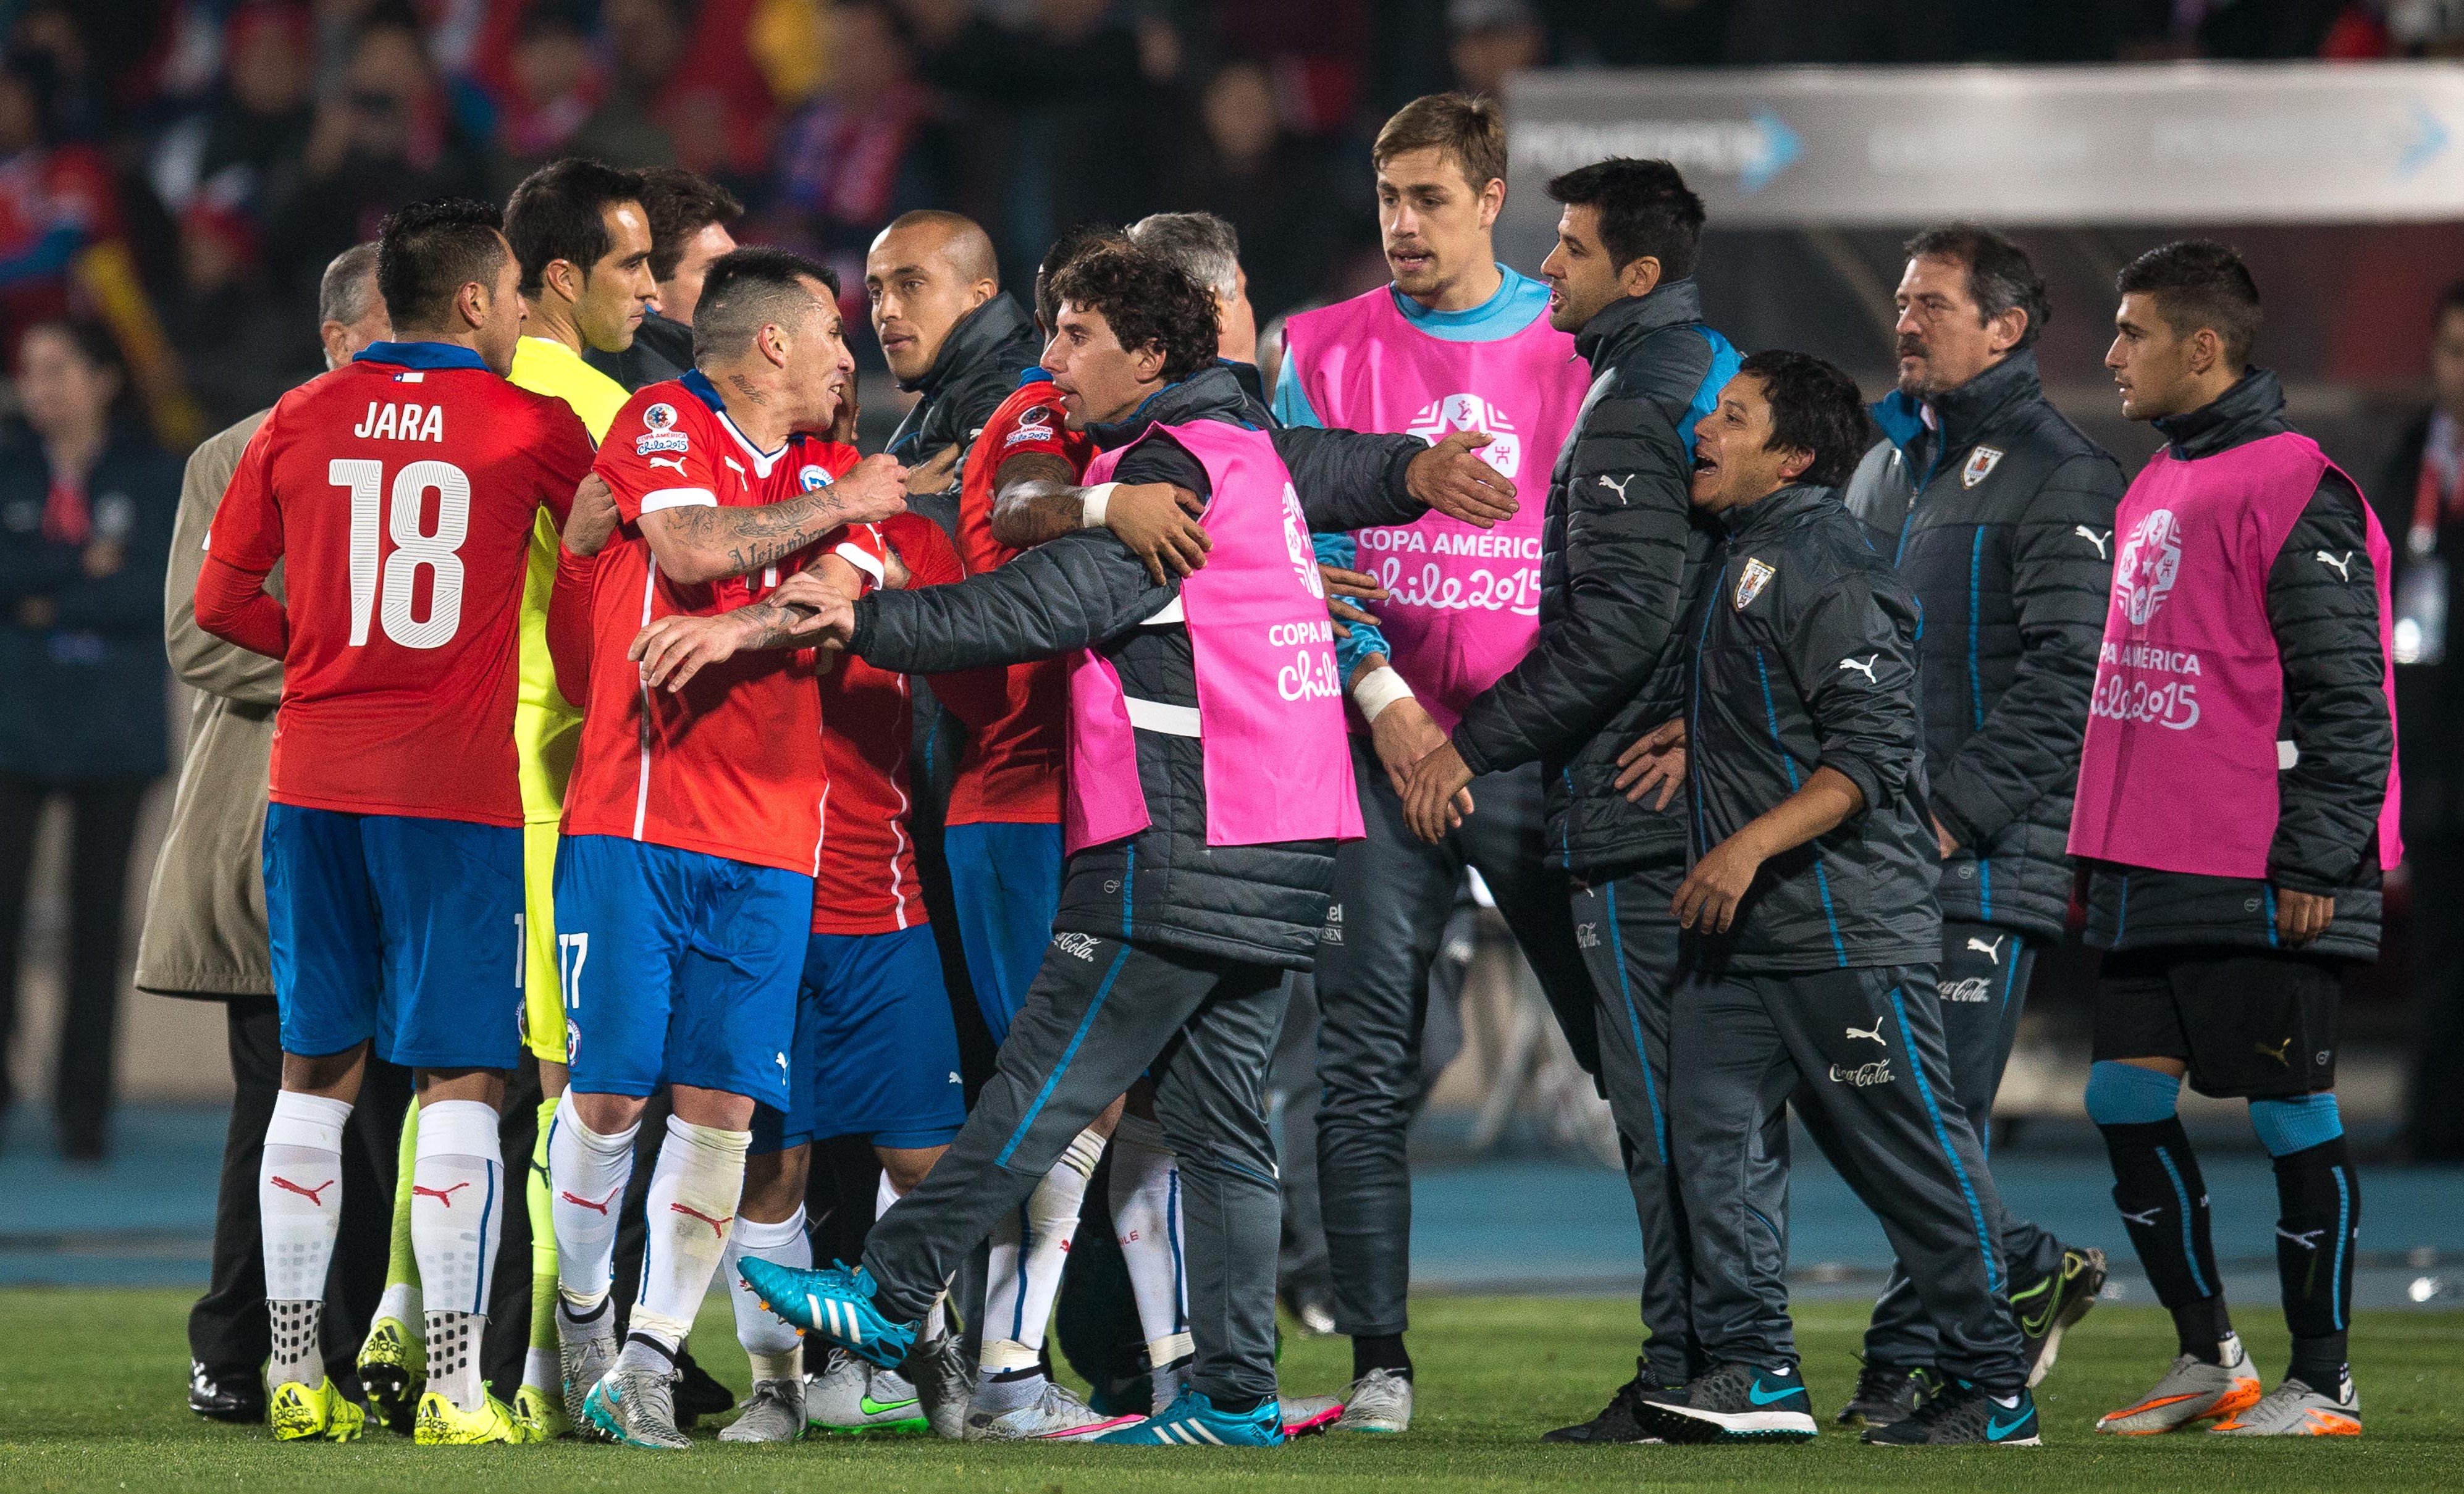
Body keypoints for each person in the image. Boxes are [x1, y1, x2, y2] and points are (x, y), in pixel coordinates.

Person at [738, 243, 1521, 1449]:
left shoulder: (1169, 468)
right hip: (1283, 833)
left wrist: (866, 619)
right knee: (1220, 1128)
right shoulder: (1238, 440)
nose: (1049, 355)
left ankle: (889, 1294)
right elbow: (1316, 464)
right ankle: (1232, 1394)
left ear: (1149, 355)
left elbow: (1039, 603)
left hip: (1178, 837)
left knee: (1040, 1083)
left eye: (1075, 335)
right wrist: (1407, 470)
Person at [192, 197, 595, 1446]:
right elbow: (592, 580)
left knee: (312, 1072)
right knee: (463, 1076)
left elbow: (220, 602)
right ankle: (457, 1388)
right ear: (472, 300)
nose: (524, 313)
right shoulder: (530, 422)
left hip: (312, 782)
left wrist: (324, 651)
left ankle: (294, 1370)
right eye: (515, 293)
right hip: (450, 794)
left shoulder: (299, 416)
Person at [1620, 350, 2041, 1448]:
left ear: (1793, 456)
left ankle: (1993, 1383)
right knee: (1709, 1146)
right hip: (1744, 937)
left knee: (1910, 1157)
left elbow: (1867, 752)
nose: (1704, 430)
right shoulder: (1749, 550)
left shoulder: (1826, 559)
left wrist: (1741, 847)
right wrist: (1709, 736)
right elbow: (1794, 712)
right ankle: (1757, 1368)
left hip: (1841, 925)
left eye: (1733, 417)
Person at [1387, 154, 1743, 1443]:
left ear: (1636, 273)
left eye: (1572, 248)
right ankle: (1723, 1360)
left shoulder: (1641, 397)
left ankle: (1713, 1367)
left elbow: (1619, 627)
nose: (1545, 267)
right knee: (1697, 1100)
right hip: (1676, 793)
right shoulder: (1699, 374)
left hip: (1640, 811)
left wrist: (1470, 747)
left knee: (1668, 1104)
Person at [1268, 98, 1601, 1433]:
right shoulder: (1316, 347)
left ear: (1490, 198)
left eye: (1428, 198)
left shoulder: (1575, 345)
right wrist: (1385, 698)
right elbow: (1290, 549)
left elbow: (1615, 563)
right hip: (1379, 744)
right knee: (1361, 1061)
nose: (1401, 223)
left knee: (1625, 1046)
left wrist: (1491, 729)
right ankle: (1377, 1368)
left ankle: (1705, 1344)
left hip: (1532, 747)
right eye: (1386, 197)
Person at [543, 246, 908, 1451]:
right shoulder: (665, 417)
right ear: (772, 344)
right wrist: (840, 510)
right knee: (608, 1094)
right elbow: (692, 546)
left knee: (721, 1112)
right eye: (833, 335)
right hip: (638, 815)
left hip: (773, 833)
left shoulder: (833, 466)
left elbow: (829, 599)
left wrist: (765, 602)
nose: (848, 356)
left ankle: (645, 1363)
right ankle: (583, 1317)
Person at [352, 155, 661, 1445]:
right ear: (556, 278)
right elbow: (616, 594)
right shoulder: (592, 408)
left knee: (448, 1064)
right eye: (634, 265)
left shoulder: (438, 393)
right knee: (561, 1074)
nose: (651, 291)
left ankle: (395, 1304)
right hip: (550, 770)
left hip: (424, 761)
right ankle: (542, 1360)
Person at [2076, 240, 2396, 1438]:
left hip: (2256, 861)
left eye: (2131, 331)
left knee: (2287, 1111)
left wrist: (2317, 854)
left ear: (2199, 346)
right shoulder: (2156, 478)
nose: (2110, 354)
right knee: (2118, 1097)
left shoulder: (2293, 482)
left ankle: (2322, 1379)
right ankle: (2209, 1356)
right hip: (2148, 857)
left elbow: (2346, 693)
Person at [1833, 224, 2123, 1425]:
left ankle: (1952, 1360)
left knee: (1924, 1114)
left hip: (1978, 853)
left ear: (2004, 328)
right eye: (1901, 301)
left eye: (1932, 305)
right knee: (1887, 1111)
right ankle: (1989, 1294)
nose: (1904, 321)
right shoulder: (1881, 466)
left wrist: (1951, 816)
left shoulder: (2058, 471)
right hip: (1869, 847)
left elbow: (2069, 676)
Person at [137, 244, 411, 1427]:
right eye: (394, 331)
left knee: (391, 1106)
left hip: (409, 817)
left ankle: (354, 1346)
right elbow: (198, 636)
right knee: (283, 1095)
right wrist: (368, 667)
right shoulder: (239, 452)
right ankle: (233, 1342)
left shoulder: (451, 445)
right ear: (337, 340)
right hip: (271, 819)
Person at [714, 506, 973, 1444]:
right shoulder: (732, 526)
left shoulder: (912, 537)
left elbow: (977, 674)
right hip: (760, 906)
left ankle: (924, 1345)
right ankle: (776, 1386)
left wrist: (887, 576)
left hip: (884, 903)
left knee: (927, 1162)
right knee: (770, 1168)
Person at [0, 317, 179, 1162]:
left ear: (104, 377)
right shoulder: (9, 465)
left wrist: (40, 597)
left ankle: (84, 1109)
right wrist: (85, 567)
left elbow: (155, 591)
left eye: (57, 367)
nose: (39, 386)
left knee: (98, 924)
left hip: (115, 730)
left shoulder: (154, 472)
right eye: (29, 370)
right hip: (15, 724)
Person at [2376, 280, 2464, 1162]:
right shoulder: (2410, 463)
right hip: (2434, 753)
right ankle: (2434, 1121)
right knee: (2439, 949)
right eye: (2453, 351)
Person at [867, 209, 1045, 507]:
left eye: (911, 285)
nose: (886, 310)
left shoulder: (1001, 389)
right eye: (875, 293)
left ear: (979, 298)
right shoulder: (951, 386)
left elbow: (992, 526)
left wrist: (898, 504)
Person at [586, 167, 742, 392]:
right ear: (649, 287)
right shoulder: (646, 394)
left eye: (737, 268)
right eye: (716, 272)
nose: (740, 286)